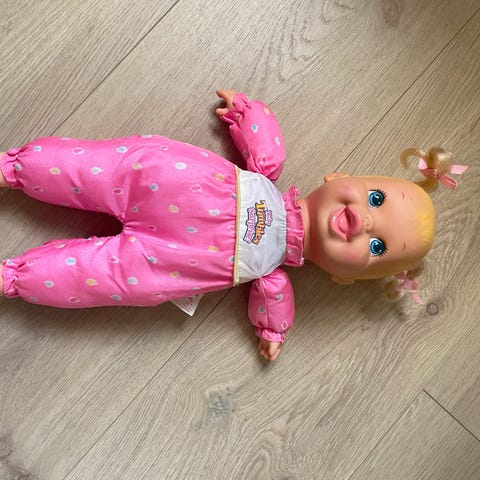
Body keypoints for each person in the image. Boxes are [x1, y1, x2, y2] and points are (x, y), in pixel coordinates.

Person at [0, 90, 467, 360]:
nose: (364, 221)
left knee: (104, 277)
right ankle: (16, 169)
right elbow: (262, 135)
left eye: (378, 246)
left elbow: (275, 308)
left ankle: (15, 279)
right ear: (337, 177)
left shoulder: (272, 277)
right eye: (376, 200)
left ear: (343, 277)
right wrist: (245, 110)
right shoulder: (267, 169)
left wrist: (272, 333)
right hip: (159, 180)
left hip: (163, 263)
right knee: (93, 168)